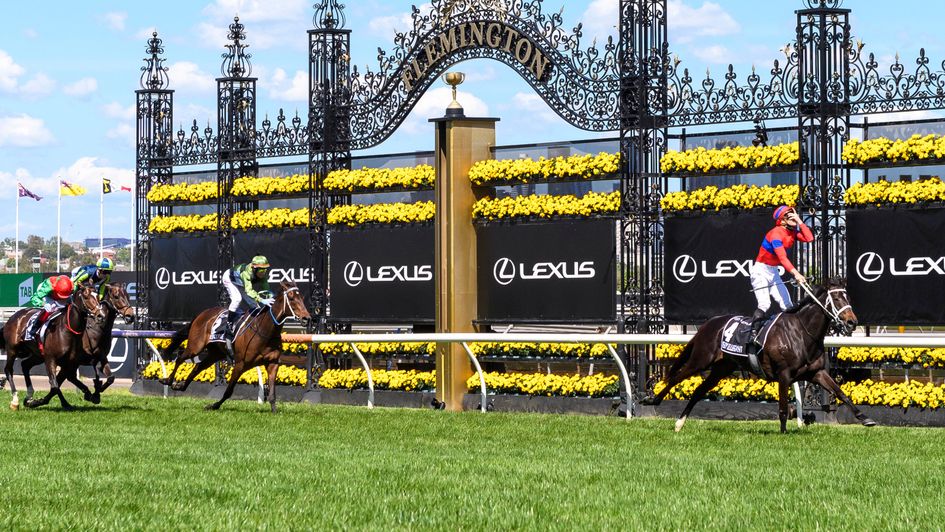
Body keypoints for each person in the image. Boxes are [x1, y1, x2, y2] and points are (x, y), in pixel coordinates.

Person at [748, 205, 814, 351]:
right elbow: (782, 258)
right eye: (789, 215)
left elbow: (810, 238)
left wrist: (800, 221)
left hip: (773, 272)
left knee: (788, 305)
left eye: (793, 214)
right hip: (760, 271)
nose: (793, 217)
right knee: (764, 304)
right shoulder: (775, 234)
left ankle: (793, 334)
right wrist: (796, 274)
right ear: (782, 220)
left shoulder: (793, 232)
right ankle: (752, 337)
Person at [221, 255, 274, 340]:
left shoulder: (262, 273)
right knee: (237, 299)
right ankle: (229, 324)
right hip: (229, 278)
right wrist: (261, 299)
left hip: (240, 282)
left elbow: (266, 287)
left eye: (265, 269)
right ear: (254, 268)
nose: (263, 272)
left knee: (255, 305)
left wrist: (270, 295)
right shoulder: (246, 273)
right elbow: (249, 291)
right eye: (261, 269)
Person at [27, 275, 74, 339]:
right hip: (48, 295)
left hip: (64, 294)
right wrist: (43, 304)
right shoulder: (48, 287)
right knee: (50, 308)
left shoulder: (71, 286)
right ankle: (33, 330)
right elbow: (34, 298)